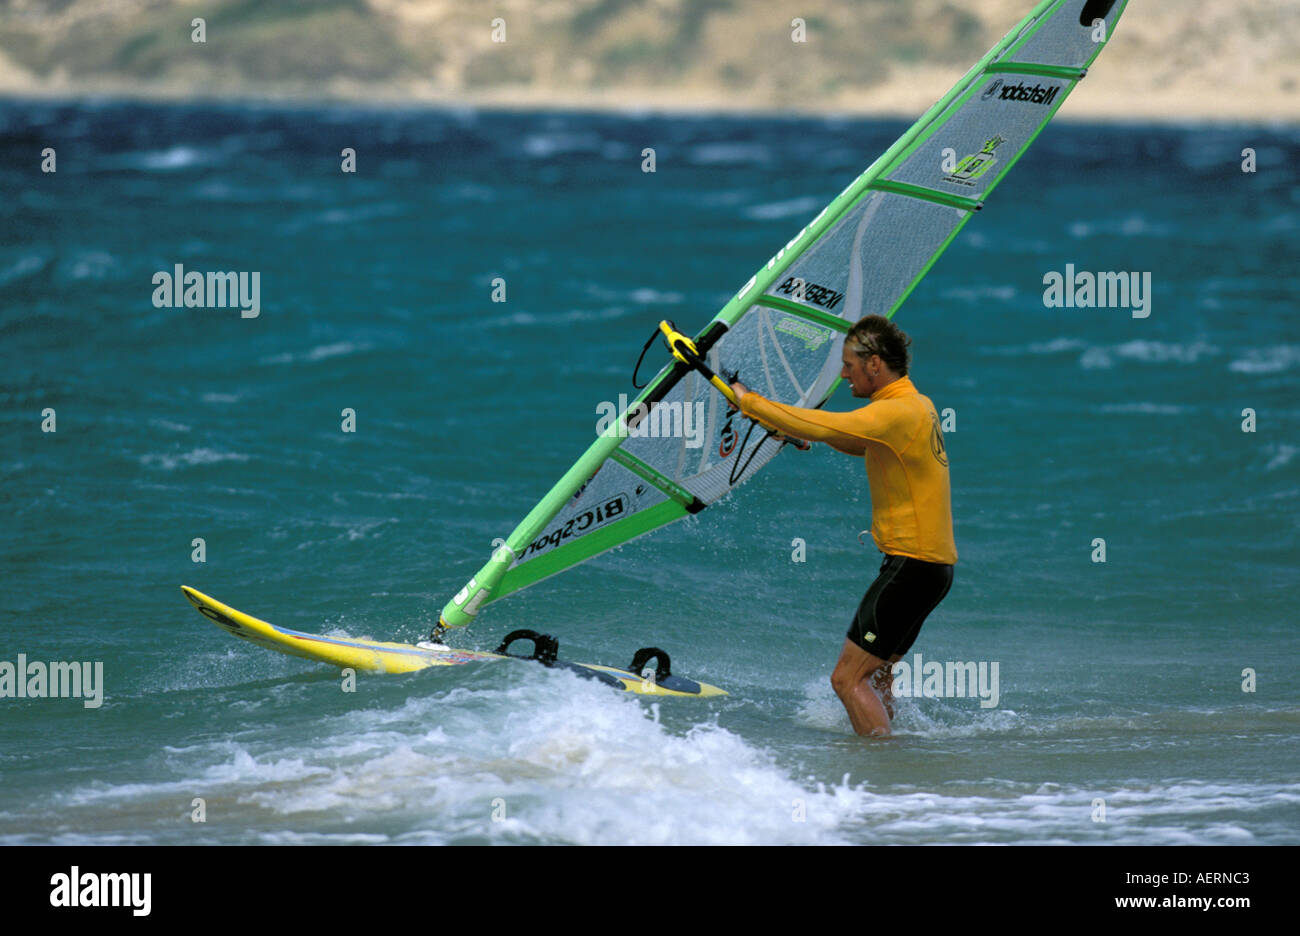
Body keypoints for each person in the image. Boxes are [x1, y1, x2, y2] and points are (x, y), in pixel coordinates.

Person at [729, 314, 956, 736]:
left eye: (849, 364)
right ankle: (902, 762)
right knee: (880, 673)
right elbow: (856, 441)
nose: (843, 373)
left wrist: (749, 401)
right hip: (932, 569)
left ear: (874, 365)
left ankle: (880, 772)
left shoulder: (894, 412)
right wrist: (798, 430)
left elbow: (829, 423)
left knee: (847, 679)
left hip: (911, 567)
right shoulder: (916, 405)